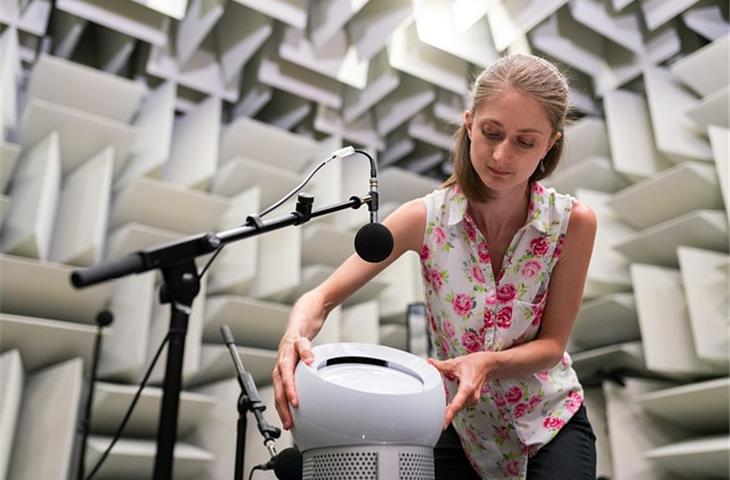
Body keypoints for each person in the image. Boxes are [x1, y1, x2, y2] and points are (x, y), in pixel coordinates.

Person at [272, 54, 598, 479]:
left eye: (524, 141)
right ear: (469, 123)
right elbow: (320, 297)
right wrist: (293, 336)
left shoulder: (573, 223)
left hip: (549, 421)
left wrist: (486, 362)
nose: (501, 155)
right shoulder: (423, 218)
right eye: (491, 133)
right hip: (459, 429)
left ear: (550, 144)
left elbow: (553, 346)